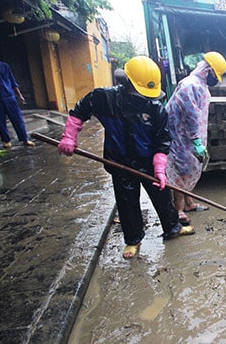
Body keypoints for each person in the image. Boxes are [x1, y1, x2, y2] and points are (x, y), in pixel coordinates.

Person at [58, 56, 194, 260]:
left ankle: (172, 227)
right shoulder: (104, 99)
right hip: (119, 161)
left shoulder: (155, 108)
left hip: (149, 162)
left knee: (161, 196)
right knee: (127, 202)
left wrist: (159, 169)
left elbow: (162, 141)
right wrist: (69, 136)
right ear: (127, 84)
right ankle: (133, 240)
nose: (146, 99)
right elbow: (79, 112)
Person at [165, 52, 226, 225]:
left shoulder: (200, 85)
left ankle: (189, 203)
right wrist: (195, 140)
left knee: (191, 168)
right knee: (181, 171)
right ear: (207, 70)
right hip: (182, 138)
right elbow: (190, 115)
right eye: (215, 75)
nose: (215, 79)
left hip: (191, 138)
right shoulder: (189, 85)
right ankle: (178, 210)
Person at [0, 43, 35, 148]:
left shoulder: (4, 66)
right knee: (0, 121)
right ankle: (6, 140)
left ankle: (24, 139)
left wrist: (20, 95)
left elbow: (13, 81)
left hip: (9, 97)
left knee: (17, 119)